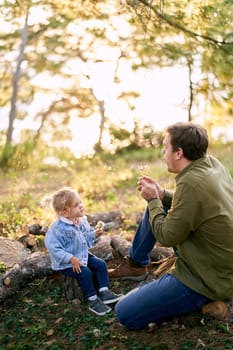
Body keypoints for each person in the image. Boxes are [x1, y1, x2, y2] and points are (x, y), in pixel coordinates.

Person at [108, 121, 233, 330]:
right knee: (156, 208)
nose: (162, 152)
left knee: (125, 312)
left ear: (178, 153)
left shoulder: (191, 183)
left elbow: (166, 237)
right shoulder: (211, 164)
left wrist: (153, 199)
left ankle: (206, 300)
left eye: (165, 147)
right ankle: (137, 265)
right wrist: (161, 194)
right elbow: (191, 205)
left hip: (208, 277)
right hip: (218, 259)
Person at [45, 187, 122, 316]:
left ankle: (104, 291)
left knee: (100, 264)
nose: (81, 206)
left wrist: (93, 234)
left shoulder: (81, 221)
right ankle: (93, 300)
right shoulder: (57, 229)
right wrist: (70, 258)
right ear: (64, 212)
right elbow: (54, 248)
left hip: (82, 255)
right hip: (67, 263)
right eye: (76, 205)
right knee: (85, 272)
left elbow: (84, 236)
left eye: (80, 202)